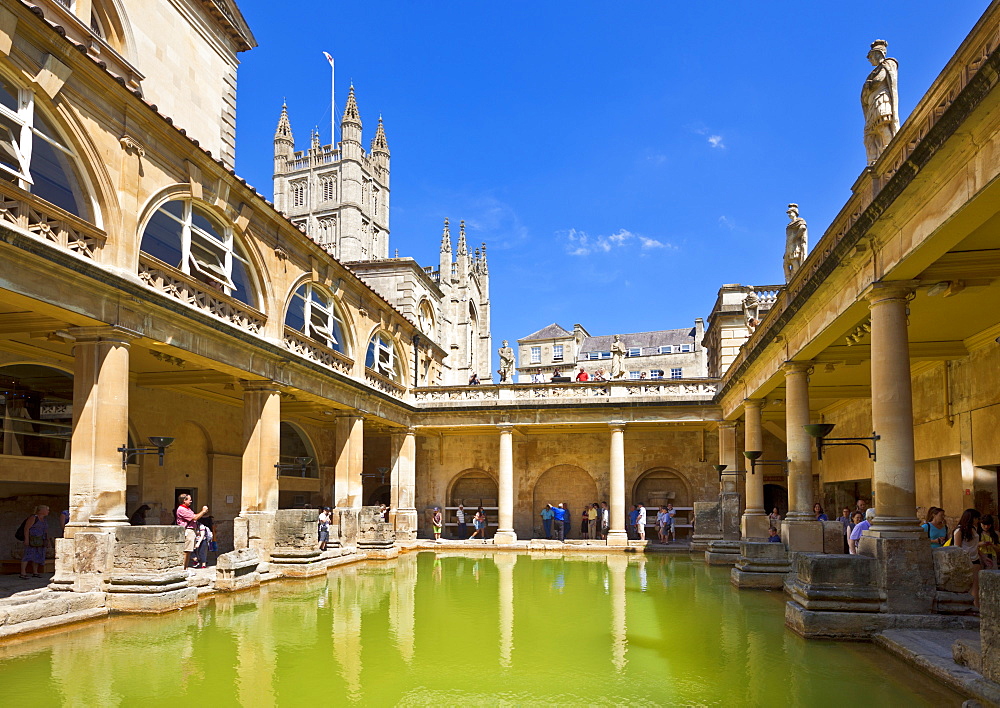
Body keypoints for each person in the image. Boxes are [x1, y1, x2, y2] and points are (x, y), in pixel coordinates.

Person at [954, 508, 982, 607]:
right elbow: (957, 547)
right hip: (965, 560)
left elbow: (974, 545)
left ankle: (976, 606)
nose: (977, 520)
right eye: (976, 518)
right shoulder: (960, 530)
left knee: (975, 586)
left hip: (975, 559)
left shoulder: (974, 529)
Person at [175, 493, 209, 569]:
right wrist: (203, 511)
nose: (191, 501)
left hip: (191, 530)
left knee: (189, 551)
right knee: (187, 551)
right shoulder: (182, 509)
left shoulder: (187, 509)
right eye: (189, 500)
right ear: (184, 500)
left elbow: (195, 516)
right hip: (188, 531)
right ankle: (184, 568)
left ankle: (185, 568)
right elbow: (194, 518)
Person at [19, 505, 49, 579]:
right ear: (41, 510)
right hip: (32, 539)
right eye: (47, 510)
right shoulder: (33, 518)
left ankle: (35, 572)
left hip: (40, 540)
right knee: (27, 555)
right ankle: (23, 572)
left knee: (37, 556)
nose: (48, 511)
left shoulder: (44, 520)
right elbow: (26, 528)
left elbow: (45, 531)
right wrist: (26, 539)